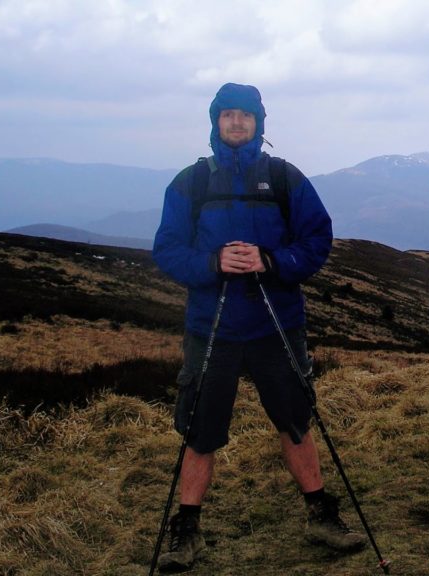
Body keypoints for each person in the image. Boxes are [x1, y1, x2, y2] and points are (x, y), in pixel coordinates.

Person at [152, 82, 365, 572]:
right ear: (215, 122)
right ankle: (187, 532)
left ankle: (321, 515)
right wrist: (213, 262)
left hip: (276, 325)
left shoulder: (285, 178)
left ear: (258, 123)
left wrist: (271, 260)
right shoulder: (191, 183)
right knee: (200, 431)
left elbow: (317, 240)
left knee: (295, 421)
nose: (236, 122)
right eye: (227, 114)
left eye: (245, 115)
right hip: (213, 329)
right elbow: (167, 250)